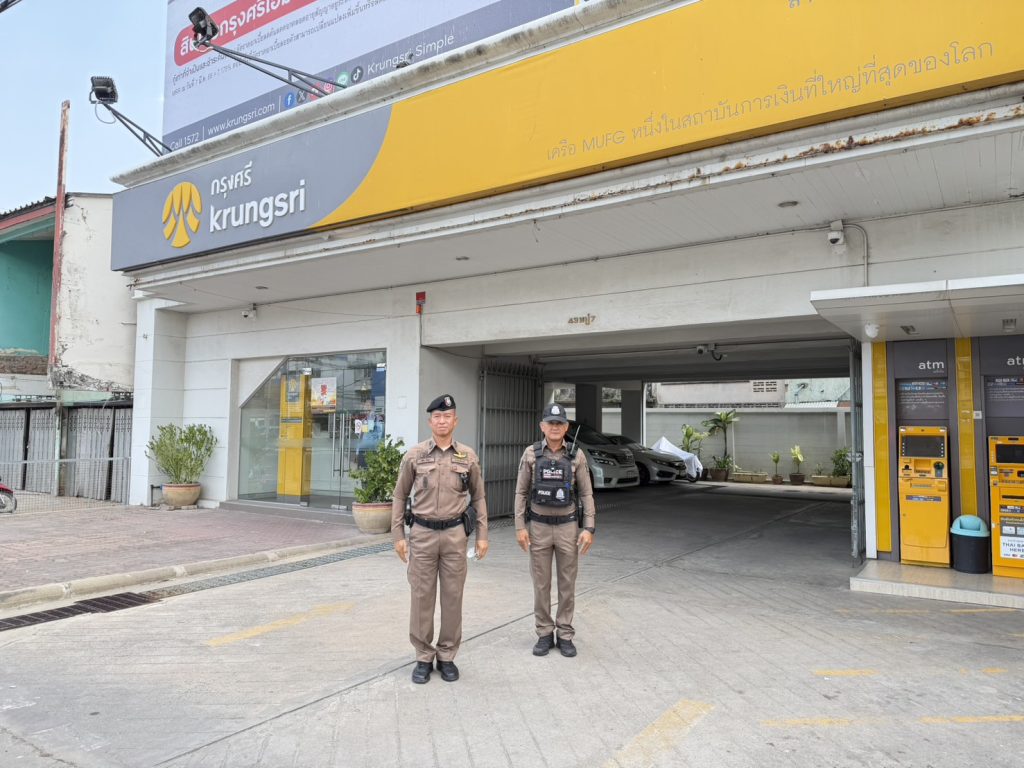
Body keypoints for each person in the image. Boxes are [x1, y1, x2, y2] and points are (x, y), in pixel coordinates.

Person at [392, 394, 488, 684]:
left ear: (455, 421)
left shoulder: (467, 456)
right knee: (422, 597)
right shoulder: (414, 455)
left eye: (447, 416)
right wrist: (398, 534)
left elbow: (479, 497)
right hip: (422, 535)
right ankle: (423, 656)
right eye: (437, 417)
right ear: (430, 421)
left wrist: (482, 534)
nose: (442, 421)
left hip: (455, 536)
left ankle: (447, 656)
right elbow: (399, 495)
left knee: (452, 597)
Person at [514, 403, 595, 657]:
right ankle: (544, 633)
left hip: (567, 527)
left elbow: (586, 493)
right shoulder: (531, 454)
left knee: (567, 583)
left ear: (566, 427)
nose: (555, 427)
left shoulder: (576, 455)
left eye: (559, 423)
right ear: (542, 426)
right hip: (538, 527)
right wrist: (519, 526)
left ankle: (565, 634)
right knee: (541, 584)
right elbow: (521, 492)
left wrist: (589, 527)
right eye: (551, 423)